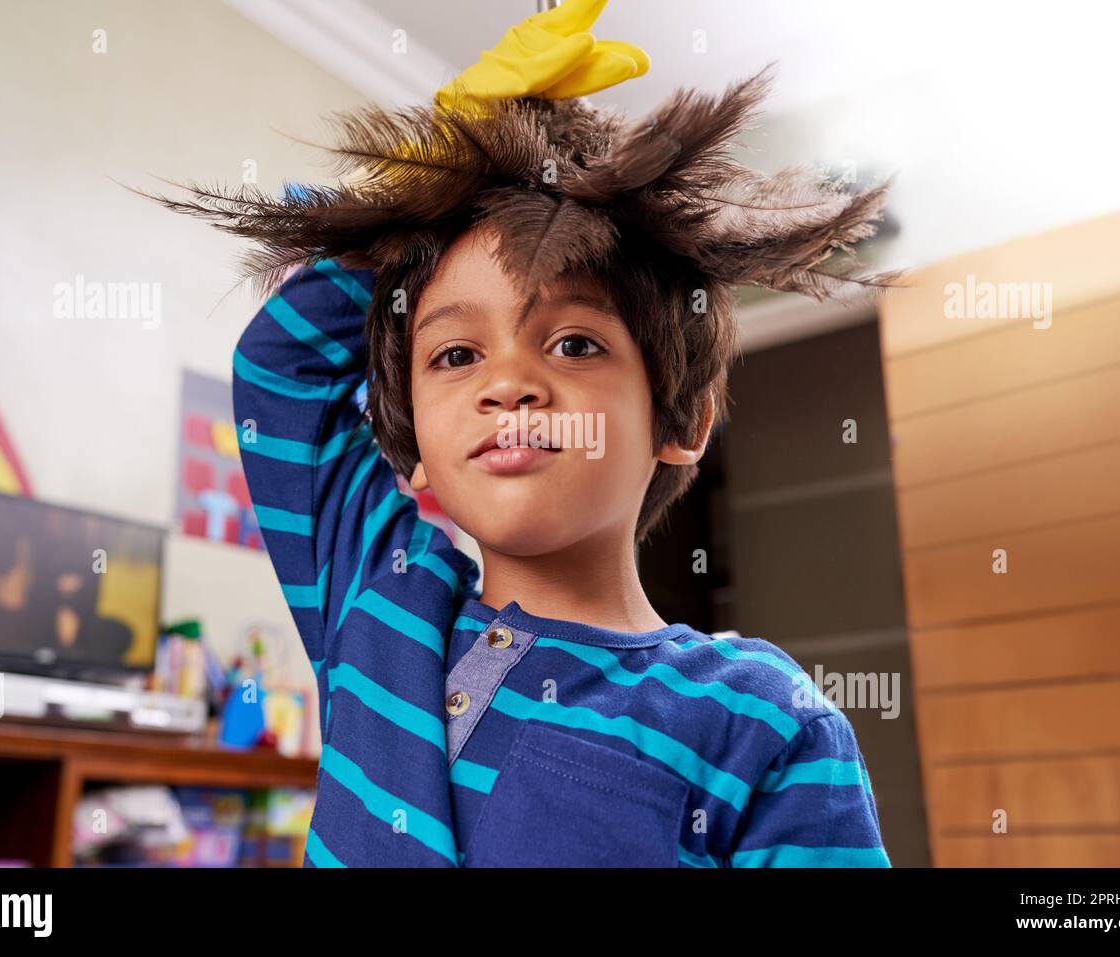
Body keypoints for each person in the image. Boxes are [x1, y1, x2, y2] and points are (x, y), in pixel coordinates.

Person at [143, 0, 895, 866]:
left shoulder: (763, 719)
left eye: (574, 342)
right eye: (456, 353)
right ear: (413, 446)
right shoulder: (380, 603)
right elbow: (280, 375)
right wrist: (427, 178)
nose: (506, 383)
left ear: (681, 418)